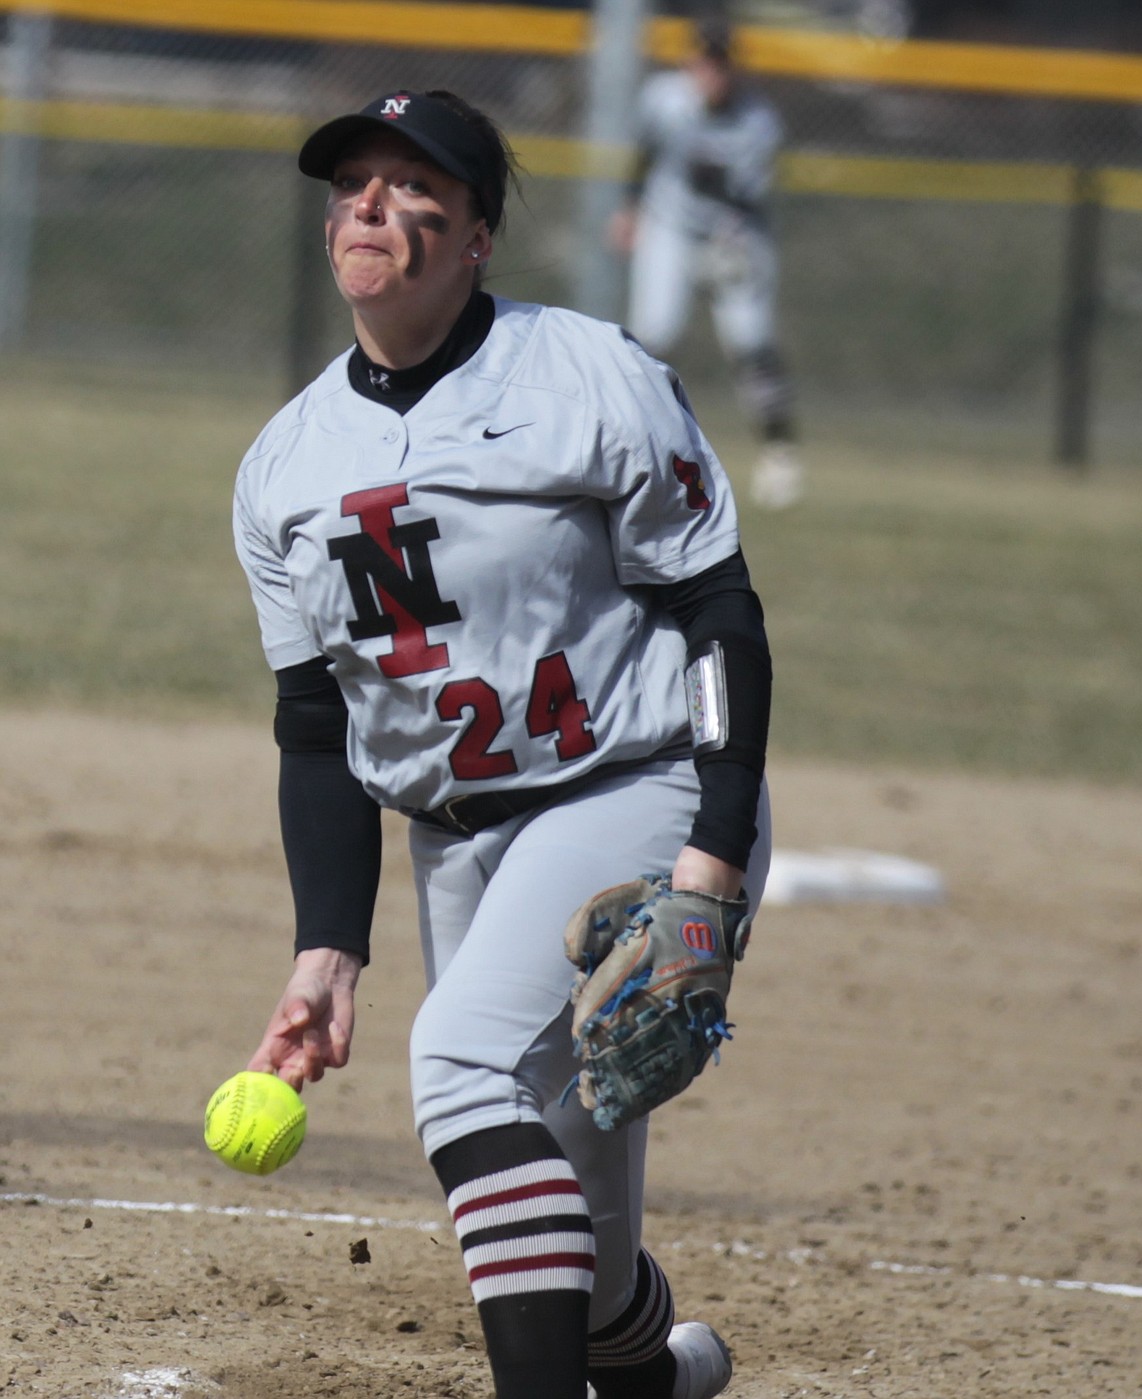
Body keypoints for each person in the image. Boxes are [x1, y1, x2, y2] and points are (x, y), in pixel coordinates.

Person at [232, 86, 773, 1399]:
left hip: (634, 791)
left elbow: (716, 614)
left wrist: (708, 854)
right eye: (352, 179)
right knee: (579, 1261)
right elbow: (318, 732)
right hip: (458, 844)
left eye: (415, 184)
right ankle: (650, 1375)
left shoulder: (590, 374)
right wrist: (328, 941)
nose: (371, 202)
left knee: (463, 1062)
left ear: (477, 236)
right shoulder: (284, 464)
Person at [607, 15, 803, 510]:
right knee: (652, 338)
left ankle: (780, 453)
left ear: (734, 68)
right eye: (704, 62)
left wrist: (731, 248)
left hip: (732, 236)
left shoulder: (759, 122)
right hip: (670, 228)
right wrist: (629, 209)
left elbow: (746, 198)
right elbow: (644, 154)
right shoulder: (664, 98)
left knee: (751, 344)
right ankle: (628, 446)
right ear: (690, 63)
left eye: (720, 63)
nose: (712, 73)